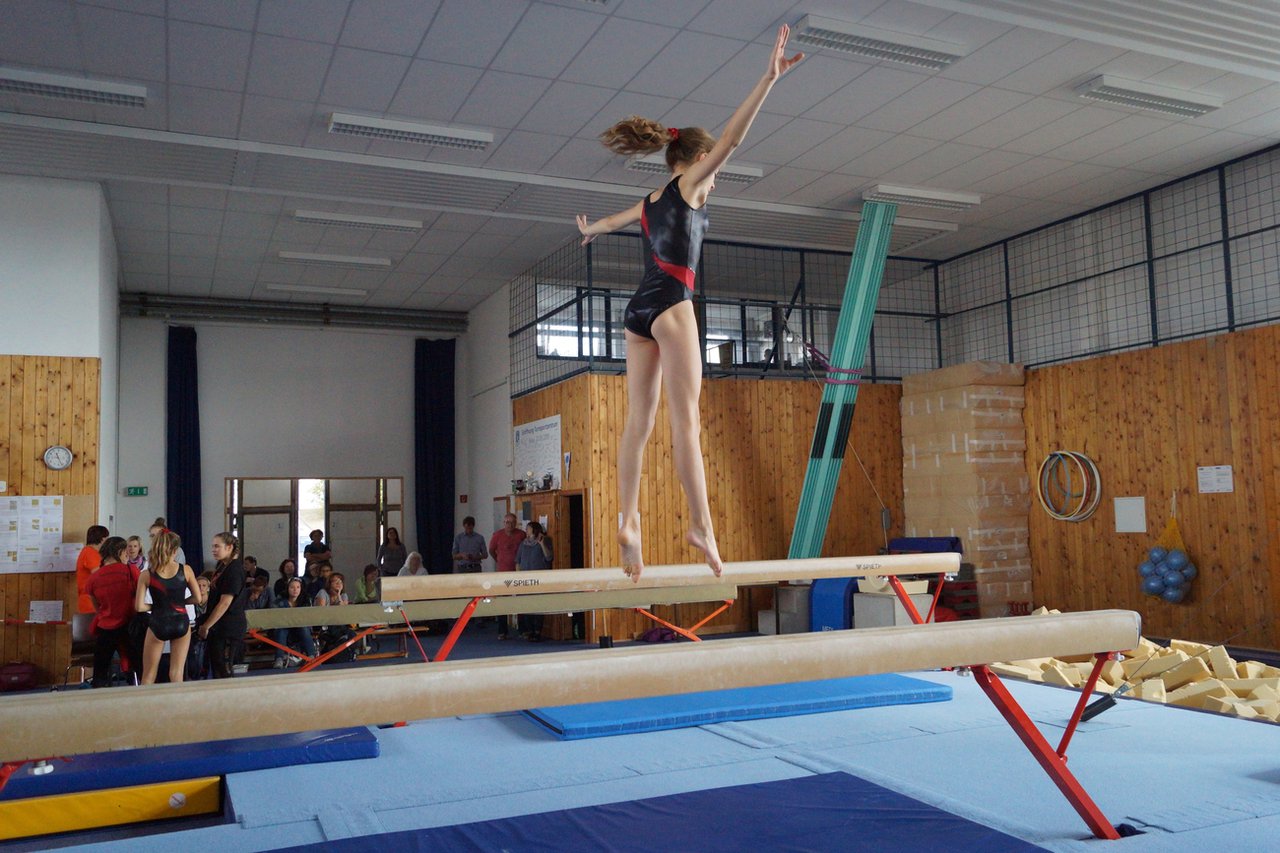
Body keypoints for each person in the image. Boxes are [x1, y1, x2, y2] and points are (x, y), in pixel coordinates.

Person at [576, 25, 803, 581]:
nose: (715, 180)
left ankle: (629, 519)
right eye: (710, 168)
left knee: (638, 422)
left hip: (637, 312)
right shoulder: (689, 185)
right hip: (673, 306)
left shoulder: (650, 199)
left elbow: (614, 220)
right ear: (697, 159)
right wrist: (768, 80)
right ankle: (701, 526)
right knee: (686, 423)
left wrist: (591, 230)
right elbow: (733, 142)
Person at [135, 529, 203, 685]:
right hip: (181, 622)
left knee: (149, 675)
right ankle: (178, 700)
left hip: (158, 622)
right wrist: (180, 602)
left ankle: (145, 700)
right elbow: (198, 598)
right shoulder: (186, 570)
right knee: (176, 673)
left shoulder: (146, 574)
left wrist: (159, 605)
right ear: (175, 550)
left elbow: (139, 607)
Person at [85, 536, 139, 687]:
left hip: (106, 628)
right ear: (120, 552)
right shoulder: (131, 571)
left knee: (100, 670)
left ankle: (99, 694)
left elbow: (97, 607)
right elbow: (140, 598)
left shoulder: (94, 578)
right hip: (129, 626)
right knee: (137, 665)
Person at [199, 532, 248, 679]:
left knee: (224, 667)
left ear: (229, 547)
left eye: (217, 546)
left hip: (229, 625)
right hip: (219, 625)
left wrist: (206, 625)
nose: (213, 550)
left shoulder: (234, 570)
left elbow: (225, 602)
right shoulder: (222, 566)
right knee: (216, 666)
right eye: (212, 546)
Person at [488, 514, 525, 639]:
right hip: (503, 573)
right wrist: (499, 560)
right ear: (504, 523)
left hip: (518, 573)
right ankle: (502, 631)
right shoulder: (497, 535)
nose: (509, 525)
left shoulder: (521, 534)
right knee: (502, 602)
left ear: (516, 523)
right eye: (507, 522)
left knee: (520, 601)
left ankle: (523, 630)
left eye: (512, 522)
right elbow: (491, 550)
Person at [515, 521, 553, 642]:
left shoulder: (545, 541)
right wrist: (518, 576)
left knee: (538, 605)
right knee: (527, 605)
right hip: (525, 579)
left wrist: (541, 544)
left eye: (528, 528)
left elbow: (549, 557)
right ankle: (529, 630)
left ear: (535, 530)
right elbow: (518, 561)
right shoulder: (523, 544)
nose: (526, 530)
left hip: (539, 579)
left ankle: (537, 631)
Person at [272, 576, 316, 669]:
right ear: (287, 588)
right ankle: (279, 659)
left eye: (298, 587)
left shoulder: (306, 600)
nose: (295, 590)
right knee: (281, 630)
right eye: (292, 587)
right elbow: (276, 617)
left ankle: (311, 657)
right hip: (285, 628)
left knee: (303, 628)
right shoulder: (280, 601)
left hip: (301, 628)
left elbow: (309, 617)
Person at [76, 525, 109, 614]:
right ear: (102, 539)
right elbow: (100, 575)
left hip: (91, 600)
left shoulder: (89, 551)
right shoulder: (90, 552)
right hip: (90, 602)